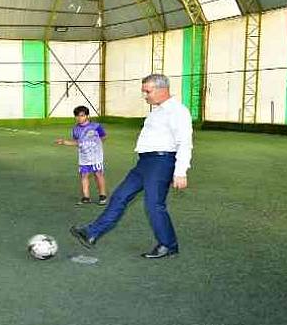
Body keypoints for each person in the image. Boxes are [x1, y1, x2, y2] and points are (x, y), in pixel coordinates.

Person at [70, 74, 193, 259]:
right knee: (120, 196)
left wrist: (181, 171)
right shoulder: (157, 110)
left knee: (154, 205)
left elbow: (185, 142)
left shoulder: (177, 111)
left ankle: (168, 245)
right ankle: (92, 233)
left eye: (148, 91)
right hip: (145, 163)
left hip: (161, 162)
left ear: (162, 90)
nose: (145, 95)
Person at [56, 105, 108, 205]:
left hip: (96, 157)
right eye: (77, 116)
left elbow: (104, 136)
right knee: (84, 175)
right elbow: (77, 142)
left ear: (87, 116)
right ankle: (86, 197)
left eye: (82, 115)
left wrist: (95, 145)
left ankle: (102, 196)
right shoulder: (75, 129)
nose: (79, 118)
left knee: (98, 175)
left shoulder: (96, 126)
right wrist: (64, 142)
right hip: (84, 157)